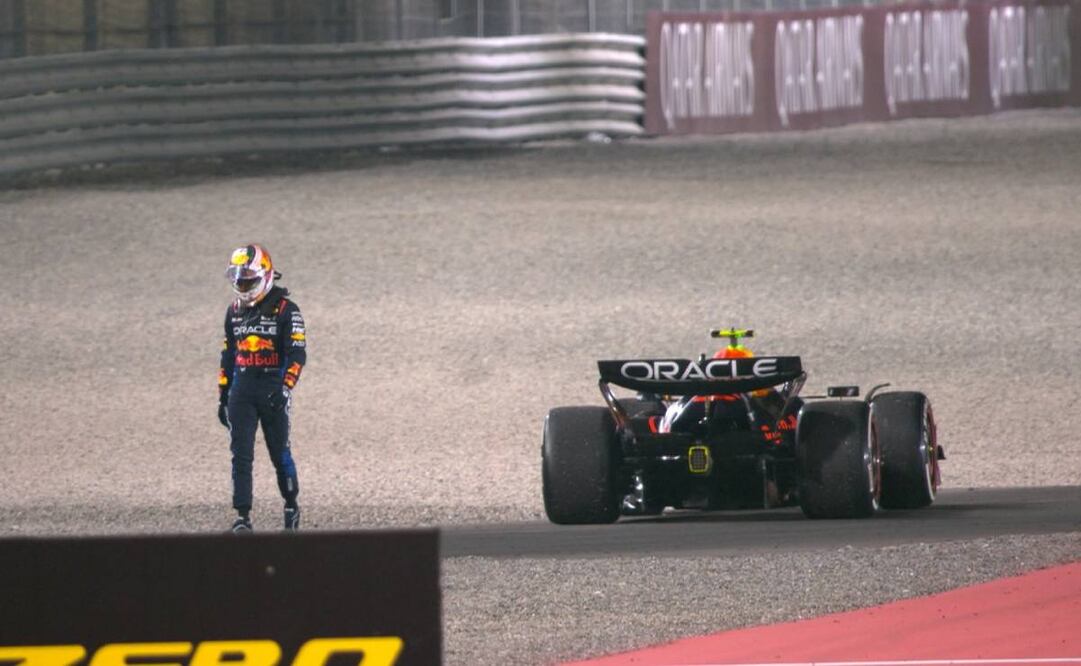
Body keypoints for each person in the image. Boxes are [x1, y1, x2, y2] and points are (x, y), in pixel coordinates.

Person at [218, 244, 306, 533]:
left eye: (248, 280)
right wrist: (222, 395)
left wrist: (285, 388)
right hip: (241, 391)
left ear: (266, 275)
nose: (243, 286)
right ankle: (243, 517)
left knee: (278, 450)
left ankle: (291, 505)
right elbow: (228, 355)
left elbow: (297, 354)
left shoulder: (287, 310)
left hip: (272, 389)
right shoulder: (233, 312)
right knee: (240, 453)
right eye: (239, 280)